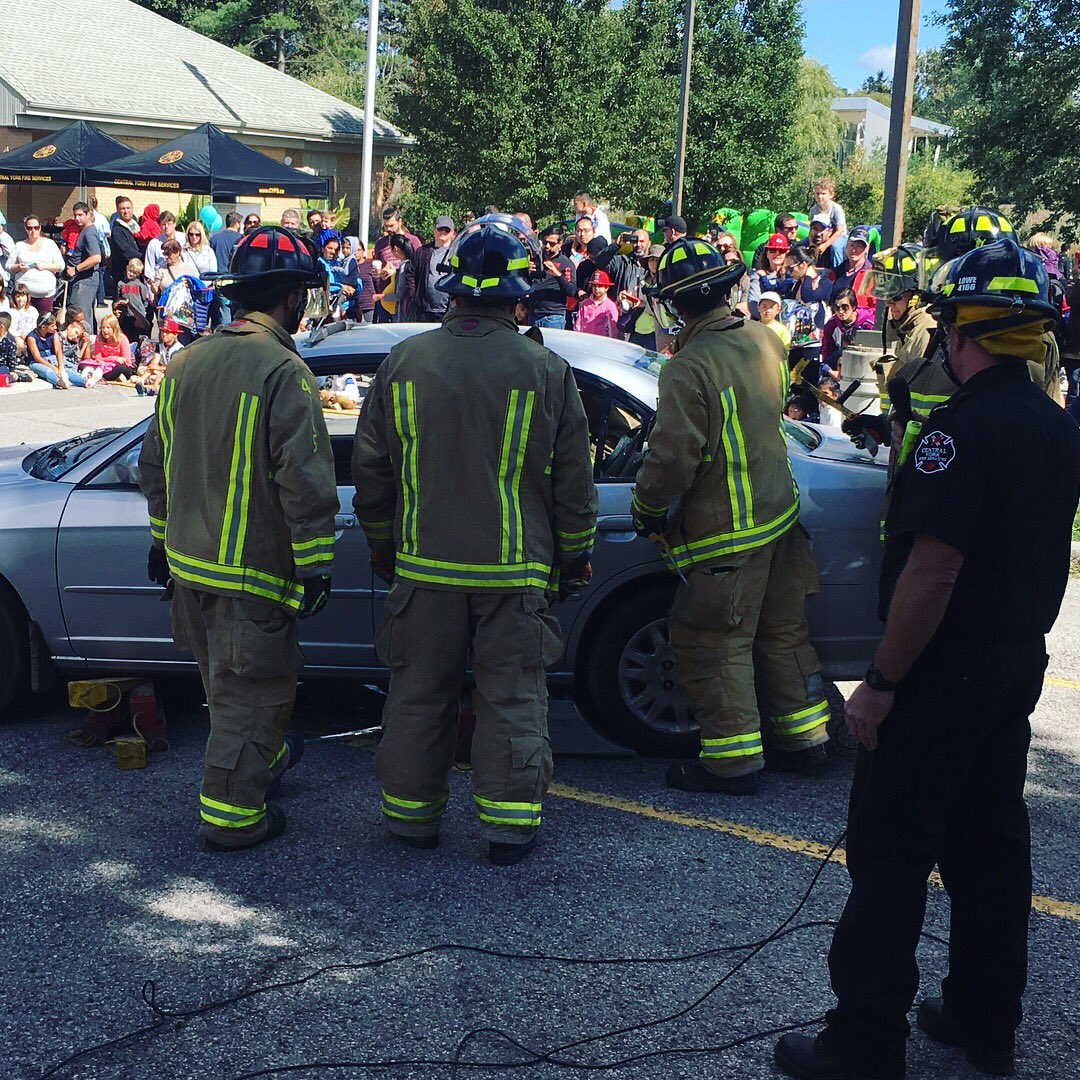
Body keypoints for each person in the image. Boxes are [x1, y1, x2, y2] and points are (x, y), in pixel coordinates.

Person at [775, 238, 1080, 1080]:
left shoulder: (956, 432)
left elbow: (932, 571)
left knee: (890, 860)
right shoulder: (1057, 426)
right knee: (990, 853)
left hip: (939, 680)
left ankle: (864, 1043)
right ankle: (987, 1023)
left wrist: (880, 684)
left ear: (963, 335)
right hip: (1012, 668)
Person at [350, 215, 598, 866]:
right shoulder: (545, 369)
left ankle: (411, 821)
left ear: (451, 288)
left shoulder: (404, 362)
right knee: (512, 697)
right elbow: (574, 479)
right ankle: (509, 829)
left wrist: (382, 544)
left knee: (418, 695)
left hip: (423, 567)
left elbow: (370, 471)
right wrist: (574, 556)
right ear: (518, 296)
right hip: (514, 571)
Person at [139, 225, 339, 853]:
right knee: (251, 695)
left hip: (189, 571)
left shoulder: (185, 364)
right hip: (250, 578)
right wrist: (315, 566)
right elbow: (305, 482)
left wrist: (161, 541)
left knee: (224, 689)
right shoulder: (284, 371)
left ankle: (266, 760)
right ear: (289, 298)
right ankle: (233, 819)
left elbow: (155, 465)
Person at [631, 238, 831, 794]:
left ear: (675, 305)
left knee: (712, 641)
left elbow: (672, 459)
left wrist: (646, 508)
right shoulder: (765, 339)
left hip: (727, 536)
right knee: (782, 633)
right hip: (781, 519)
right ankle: (806, 741)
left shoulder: (687, 367)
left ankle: (732, 763)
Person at [397, 215, 456, 322]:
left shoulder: (458, 252)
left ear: (452, 232)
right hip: (424, 311)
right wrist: (414, 296)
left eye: (446, 230)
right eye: (440, 229)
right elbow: (410, 274)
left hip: (449, 311)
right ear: (434, 230)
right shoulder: (422, 252)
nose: (442, 232)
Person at [11, 215, 65, 314]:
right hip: (23, 296)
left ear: (40, 228)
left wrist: (46, 266)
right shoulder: (19, 245)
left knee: (44, 324)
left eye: (36, 227)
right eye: (29, 228)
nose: (33, 231)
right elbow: (9, 266)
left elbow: (61, 266)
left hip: (45, 294)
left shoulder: (50, 244)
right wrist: (19, 266)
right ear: (25, 228)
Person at [63, 202, 103, 330]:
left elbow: (96, 258)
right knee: (84, 315)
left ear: (88, 214)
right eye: (75, 215)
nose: (77, 218)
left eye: (80, 215)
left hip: (86, 280)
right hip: (81, 280)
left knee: (80, 317)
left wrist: (76, 269)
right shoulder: (83, 231)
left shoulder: (89, 233)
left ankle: (86, 346)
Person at [527, 227, 575, 330]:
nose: (547, 246)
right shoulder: (535, 259)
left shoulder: (566, 263)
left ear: (560, 244)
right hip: (533, 314)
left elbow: (571, 291)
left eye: (552, 243)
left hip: (553, 317)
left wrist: (558, 275)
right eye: (545, 242)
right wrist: (526, 272)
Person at [26, 311, 88, 388]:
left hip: (52, 360)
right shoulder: (31, 337)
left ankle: (84, 382)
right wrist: (54, 368)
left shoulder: (54, 334)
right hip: (37, 362)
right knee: (48, 371)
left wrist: (61, 367)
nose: (56, 327)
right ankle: (59, 382)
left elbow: (58, 351)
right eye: (53, 326)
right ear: (44, 327)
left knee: (66, 371)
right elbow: (37, 357)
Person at [821, 287, 874, 376]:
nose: (841, 311)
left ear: (853, 307)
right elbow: (827, 352)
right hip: (839, 362)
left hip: (865, 363)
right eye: (836, 307)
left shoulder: (869, 322)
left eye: (845, 307)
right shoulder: (831, 325)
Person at [831, 226, 876, 317]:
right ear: (847, 245)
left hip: (861, 325)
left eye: (859, 246)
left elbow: (875, 308)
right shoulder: (835, 272)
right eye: (852, 245)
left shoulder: (872, 275)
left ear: (866, 249)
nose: (854, 250)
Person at [747, 232, 792, 316]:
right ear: (767, 253)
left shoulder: (792, 275)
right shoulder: (758, 275)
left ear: (787, 253)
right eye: (773, 250)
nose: (777, 254)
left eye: (781, 251)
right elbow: (753, 305)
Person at [810, 177, 847, 269]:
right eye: (817, 194)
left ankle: (837, 271)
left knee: (836, 247)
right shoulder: (813, 210)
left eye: (823, 194)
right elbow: (811, 230)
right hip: (819, 235)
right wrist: (811, 244)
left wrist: (826, 245)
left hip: (839, 236)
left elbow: (839, 231)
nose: (820, 197)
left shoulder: (836, 209)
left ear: (831, 195)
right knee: (801, 245)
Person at [88, 314, 135, 383]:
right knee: (85, 364)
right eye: (103, 327)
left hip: (121, 367)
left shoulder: (122, 339)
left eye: (108, 327)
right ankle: (114, 377)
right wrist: (113, 359)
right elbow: (98, 358)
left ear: (114, 328)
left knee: (121, 368)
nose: (105, 330)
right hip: (105, 366)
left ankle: (103, 377)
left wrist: (113, 361)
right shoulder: (99, 339)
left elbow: (127, 361)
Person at [110, 199, 142, 298]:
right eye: (123, 208)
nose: (126, 211)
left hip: (138, 271)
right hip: (123, 273)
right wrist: (143, 257)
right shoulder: (117, 230)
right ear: (118, 210)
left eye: (128, 208)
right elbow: (125, 249)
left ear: (132, 209)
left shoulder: (138, 226)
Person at [144, 211, 186, 284]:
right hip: (162, 283)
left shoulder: (184, 238)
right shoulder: (154, 244)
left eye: (169, 224)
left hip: (183, 281)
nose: (166, 227)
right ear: (159, 226)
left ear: (174, 224)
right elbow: (149, 268)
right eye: (163, 224)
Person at [576, 269, 620, 337]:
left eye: (600, 286)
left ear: (606, 288)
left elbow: (612, 327)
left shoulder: (610, 306)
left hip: (601, 341)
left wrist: (611, 341)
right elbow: (579, 322)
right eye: (594, 286)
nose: (596, 289)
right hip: (585, 339)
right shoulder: (585, 303)